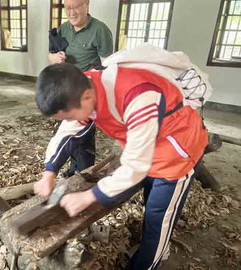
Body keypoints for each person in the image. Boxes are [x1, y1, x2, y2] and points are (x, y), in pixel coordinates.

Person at [34, 56, 208, 269]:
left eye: (69, 116)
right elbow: (67, 132)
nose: (70, 121)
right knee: (148, 197)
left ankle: (153, 256)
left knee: (157, 221)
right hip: (145, 145)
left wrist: (89, 196)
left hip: (177, 153)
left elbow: (136, 165)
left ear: (87, 97)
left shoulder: (138, 96)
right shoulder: (83, 84)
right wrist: (49, 172)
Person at [48, 0, 114, 178]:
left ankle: (84, 174)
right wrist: (54, 58)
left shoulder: (100, 30)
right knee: (69, 130)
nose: (72, 12)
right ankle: (73, 168)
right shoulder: (64, 28)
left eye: (76, 6)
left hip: (87, 91)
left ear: (87, 4)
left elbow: (109, 65)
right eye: (68, 8)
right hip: (67, 87)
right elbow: (52, 53)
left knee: (84, 133)